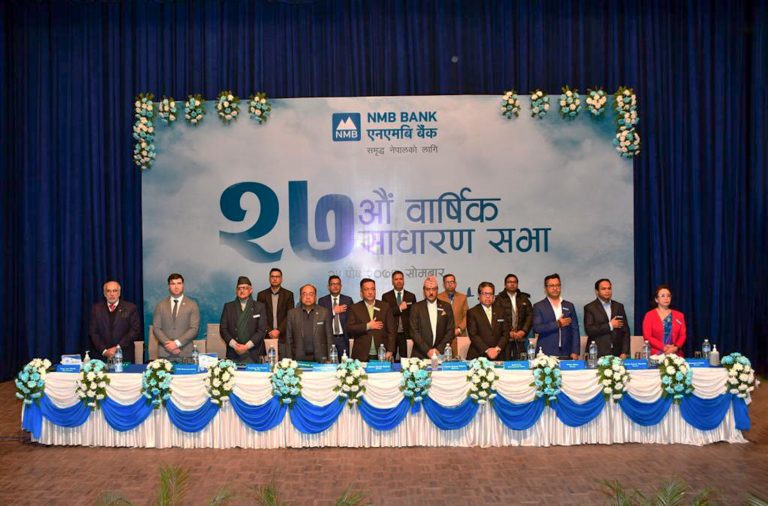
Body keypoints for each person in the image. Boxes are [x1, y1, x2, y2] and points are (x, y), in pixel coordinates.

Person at [88, 280, 141, 364]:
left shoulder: (130, 308)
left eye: (115, 291)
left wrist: (117, 348)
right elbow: (93, 332)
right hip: (102, 356)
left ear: (119, 293)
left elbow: (134, 331)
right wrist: (104, 351)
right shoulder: (96, 309)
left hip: (124, 354)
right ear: (104, 293)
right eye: (108, 291)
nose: (112, 294)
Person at [219, 276, 268, 363]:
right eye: (239, 288)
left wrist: (246, 346)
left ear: (250, 290)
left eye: (245, 288)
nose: (242, 291)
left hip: (254, 353)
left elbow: (261, 330)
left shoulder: (259, 307)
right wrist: (235, 345)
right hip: (233, 352)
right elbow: (223, 329)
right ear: (236, 291)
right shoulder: (228, 307)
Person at [347, 278, 396, 362]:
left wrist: (390, 350)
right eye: (366, 289)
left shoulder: (385, 306)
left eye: (372, 289)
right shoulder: (354, 308)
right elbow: (350, 329)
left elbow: (392, 330)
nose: (370, 292)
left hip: (382, 353)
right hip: (361, 354)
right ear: (361, 292)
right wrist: (367, 326)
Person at [152, 273, 200, 358]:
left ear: (183, 285)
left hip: (185, 353)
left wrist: (176, 344)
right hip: (165, 352)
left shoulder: (192, 305)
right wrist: (170, 346)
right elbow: (156, 328)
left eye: (179, 283)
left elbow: (194, 329)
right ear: (169, 286)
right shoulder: (160, 305)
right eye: (173, 284)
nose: (176, 286)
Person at [532, 274, 579, 359]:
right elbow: (537, 328)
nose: (555, 288)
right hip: (545, 353)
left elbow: (575, 330)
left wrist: (575, 351)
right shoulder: (538, 306)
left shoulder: (569, 305)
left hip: (567, 353)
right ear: (546, 288)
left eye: (557, 285)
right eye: (551, 286)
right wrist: (557, 324)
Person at [409, 276, 456, 359]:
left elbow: (450, 331)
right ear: (424, 290)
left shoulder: (446, 307)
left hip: (441, 353)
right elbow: (414, 332)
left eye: (434, 289)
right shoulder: (416, 307)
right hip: (420, 354)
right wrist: (427, 350)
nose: (431, 292)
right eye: (428, 289)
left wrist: (438, 349)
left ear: (437, 290)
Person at [583, 278, 631, 358]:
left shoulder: (619, 306)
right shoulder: (590, 308)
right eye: (603, 289)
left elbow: (626, 331)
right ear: (597, 291)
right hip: (597, 354)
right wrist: (610, 325)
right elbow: (589, 330)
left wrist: (624, 352)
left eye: (609, 288)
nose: (607, 291)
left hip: (617, 354)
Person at [285, 284, 333, 362]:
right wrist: (289, 360)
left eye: (311, 294)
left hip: (320, 358)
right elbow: (288, 339)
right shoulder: (292, 313)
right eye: (304, 294)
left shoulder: (324, 312)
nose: (308, 297)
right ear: (300, 297)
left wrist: (330, 359)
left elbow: (329, 338)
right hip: (298, 358)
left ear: (315, 296)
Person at [256, 268, 295, 358]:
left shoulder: (288, 294)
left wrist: (279, 330)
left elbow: (289, 315)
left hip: (283, 336)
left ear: (281, 279)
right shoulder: (261, 295)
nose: (275, 279)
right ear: (269, 278)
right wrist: (269, 330)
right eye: (272, 276)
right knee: (268, 363)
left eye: (277, 277)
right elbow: (260, 316)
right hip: (266, 335)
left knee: (283, 362)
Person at [493, 273, 533, 360]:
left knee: (520, 364)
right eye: (509, 282)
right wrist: (508, 332)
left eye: (514, 282)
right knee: (505, 363)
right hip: (504, 339)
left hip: (520, 338)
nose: (512, 284)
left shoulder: (524, 298)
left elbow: (530, 316)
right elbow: (497, 319)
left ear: (517, 284)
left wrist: (523, 331)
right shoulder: (499, 299)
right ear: (505, 284)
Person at [466, 282, 508, 360]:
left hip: (498, 354)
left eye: (490, 294)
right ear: (479, 295)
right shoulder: (472, 312)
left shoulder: (501, 311)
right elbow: (473, 335)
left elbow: (505, 333)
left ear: (494, 296)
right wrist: (488, 350)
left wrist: (497, 349)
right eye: (485, 293)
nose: (488, 296)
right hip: (478, 355)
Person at [642, 284, 686, 355]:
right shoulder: (649, 315)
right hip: (656, 354)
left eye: (668, 296)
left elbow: (682, 335)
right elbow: (647, 337)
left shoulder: (679, 315)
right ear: (656, 299)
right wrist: (664, 347)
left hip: (675, 354)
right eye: (663, 296)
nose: (666, 298)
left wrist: (675, 347)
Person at [381, 270, 416, 359]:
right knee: (390, 358)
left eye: (401, 279)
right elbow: (385, 314)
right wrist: (399, 308)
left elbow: (414, 315)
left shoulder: (411, 296)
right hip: (391, 333)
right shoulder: (386, 296)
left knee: (405, 359)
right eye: (396, 279)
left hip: (406, 334)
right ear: (392, 281)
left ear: (404, 280)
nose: (399, 281)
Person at [317, 275, 354, 357]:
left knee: (344, 363)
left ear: (341, 286)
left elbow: (352, 320)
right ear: (328, 287)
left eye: (337, 284)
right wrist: (334, 311)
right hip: (328, 339)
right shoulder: (322, 301)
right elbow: (320, 319)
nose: (335, 286)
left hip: (343, 339)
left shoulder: (348, 300)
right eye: (333, 284)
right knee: (329, 362)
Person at [437, 273, 469, 358]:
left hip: (459, 335)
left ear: (455, 283)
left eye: (452, 282)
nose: (450, 284)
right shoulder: (438, 298)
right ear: (444, 284)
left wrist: (459, 329)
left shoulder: (463, 297)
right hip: (443, 336)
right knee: (444, 361)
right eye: (447, 282)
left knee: (460, 361)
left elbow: (467, 315)